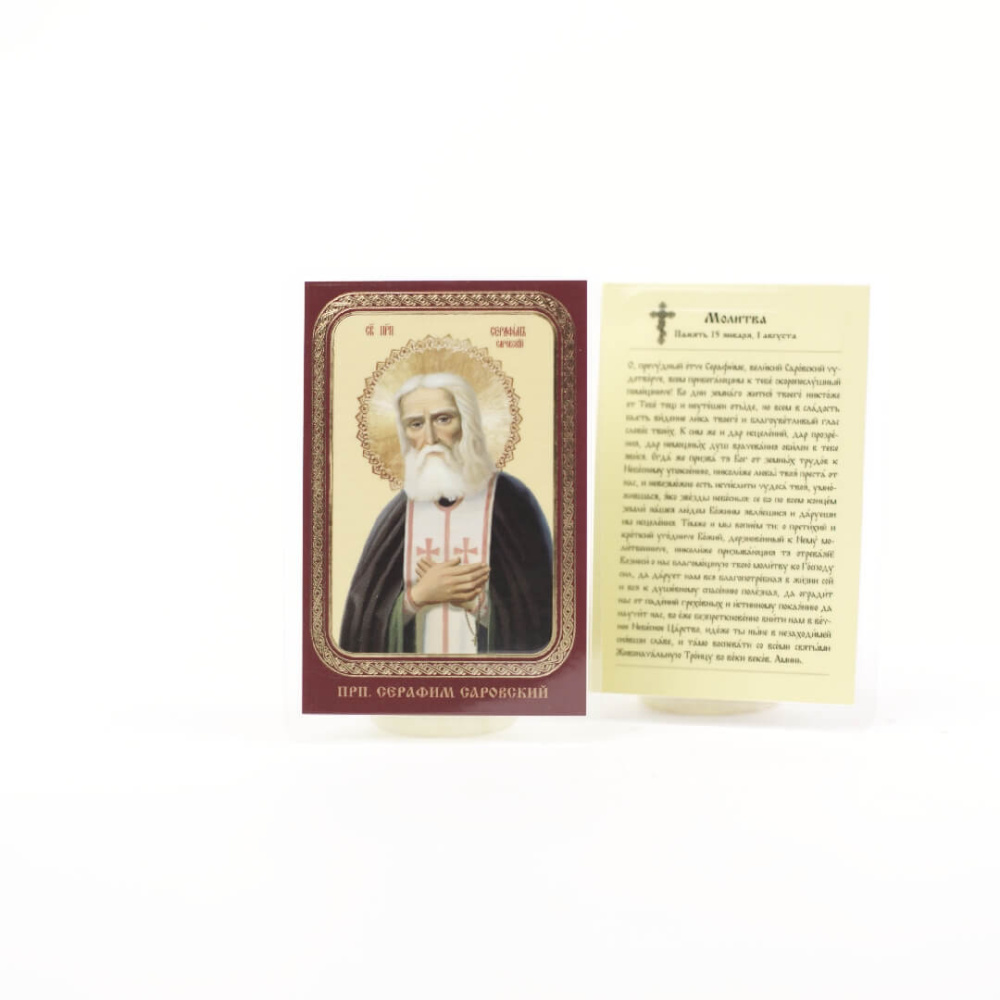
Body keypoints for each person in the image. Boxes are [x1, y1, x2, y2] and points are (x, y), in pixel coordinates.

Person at [340, 372, 553, 654]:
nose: (430, 437)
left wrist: (477, 604)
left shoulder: (513, 503)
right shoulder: (398, 515)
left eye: (443, 419)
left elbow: (543, 615)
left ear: (468, 423)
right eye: (416, 424)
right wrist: (417, 597)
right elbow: (360, 627)